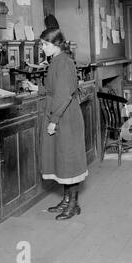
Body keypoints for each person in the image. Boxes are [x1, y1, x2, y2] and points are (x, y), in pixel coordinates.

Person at [39, 28, 88, 220]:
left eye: (45, 44)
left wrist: (54, 120)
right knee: (61, 159)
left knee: (69, 160)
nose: (43, 48)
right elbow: (55, 89)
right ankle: (67, 200)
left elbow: (63, 94)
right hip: (60, 114)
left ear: (57, 44)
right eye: (42, 44)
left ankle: (74, 205)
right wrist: (39, 88)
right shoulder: (56, 61)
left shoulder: (65, 62)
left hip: (65, 117)